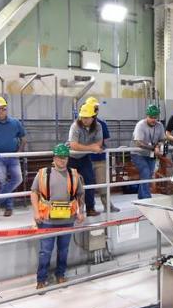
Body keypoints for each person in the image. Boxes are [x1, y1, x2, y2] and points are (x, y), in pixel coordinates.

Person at [30, 144, 85, 289]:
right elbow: (34, 192)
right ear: (54, 158)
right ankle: (41, 279)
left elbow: (80, 194)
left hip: (67, 219)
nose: (63, 161)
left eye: (65, 158)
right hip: (47, 220)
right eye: (60, 158)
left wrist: (81, 211)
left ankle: (60, 275)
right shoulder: (43, 173)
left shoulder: (74, 174)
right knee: (45, 251)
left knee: (64, 250)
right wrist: (36, 212)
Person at [83, 96, 120, 213]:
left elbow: (105, 141)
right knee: (86, 185)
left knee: (103, 184)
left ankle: (107, 206)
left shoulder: (102, 124)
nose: (96, 110)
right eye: (94, 107)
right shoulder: (80, 124)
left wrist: (99, 147)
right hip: (85, 160)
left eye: (96, 108)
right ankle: (89, 208)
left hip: (99, 159)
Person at [67, 103, 103, 217]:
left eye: (87, 117)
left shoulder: (98, 126)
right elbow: (73, 145)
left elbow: (99, 144)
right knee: (70, 184)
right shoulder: (75, 126)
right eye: (83, 117)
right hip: (71, 157)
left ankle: (90, 208)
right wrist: (91, 148)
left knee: (89, 181)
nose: (84, 119)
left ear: (93, 117)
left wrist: (91, 148)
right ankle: (70, 210)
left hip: (84, 157)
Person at [131, 105, 165, 200]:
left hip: (151, 154)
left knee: (149, 174)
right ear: (147, 116)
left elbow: (162, 139)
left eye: (155, 117)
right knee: (145, 172)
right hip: (138, 154)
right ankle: (146, 197)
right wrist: (154, 148)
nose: (153, 119)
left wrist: (158, 146)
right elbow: (138, 143)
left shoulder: (160, 126)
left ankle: (141, 196)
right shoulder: (140, 125)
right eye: (151, 117)